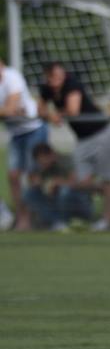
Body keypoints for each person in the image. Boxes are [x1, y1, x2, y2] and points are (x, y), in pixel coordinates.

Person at [37, 62, 110, 231]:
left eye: (60, 76)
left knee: (107, 178)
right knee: (81, 182)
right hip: (82, 139)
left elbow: (73, 110)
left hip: (101, 133)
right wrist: (50, 115)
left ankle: (108, 219)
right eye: (54, 77)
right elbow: (40, 109)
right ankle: (106, 193)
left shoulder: (72, 83)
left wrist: (56, 114)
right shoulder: (46, 89)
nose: (59, 80)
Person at [0, 59, 48, 230]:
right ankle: (23, 218)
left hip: (33, 129)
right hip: (16, 133)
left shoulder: (12, 77)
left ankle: (41, 216)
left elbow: (11, 109)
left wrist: (8, 110)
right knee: (13, 176)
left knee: (33, 175)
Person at [23, 142, 90, 229]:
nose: (43, 164)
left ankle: (65, 221)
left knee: (64, 191)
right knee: (29, 193)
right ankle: (56, 222)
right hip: (56, 201)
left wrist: (58, 182)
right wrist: (39, 181)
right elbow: (33, 182)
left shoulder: (66, 161)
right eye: (40, 162)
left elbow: (79, 184)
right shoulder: (40, 167)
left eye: (45, 160)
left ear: (51, 155)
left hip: (79, 202)